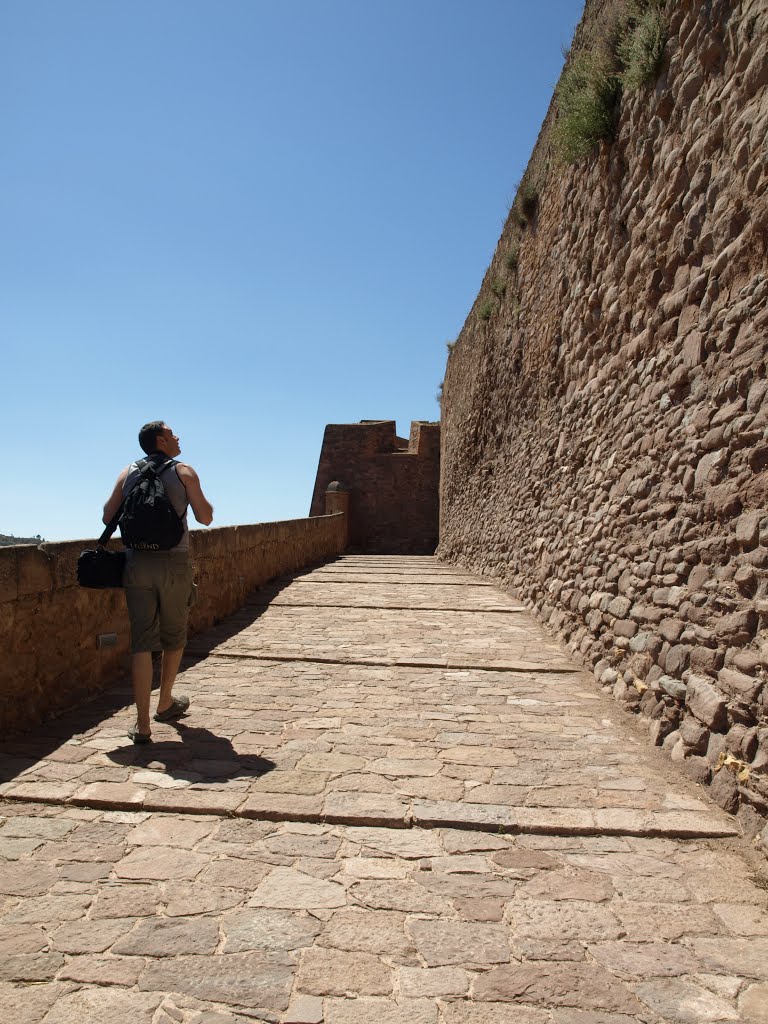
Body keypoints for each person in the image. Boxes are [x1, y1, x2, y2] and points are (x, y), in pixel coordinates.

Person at [103, 421, 214, 743]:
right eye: (173, 433)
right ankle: (165, 702)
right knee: (174, 633)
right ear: (161, 440)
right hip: (174, 563)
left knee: (142, 641)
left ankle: (142, 724)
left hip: (135, 562)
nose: (178, 437)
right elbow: (205, 517)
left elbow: (108, 516)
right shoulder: (184, 472)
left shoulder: (127, 472)